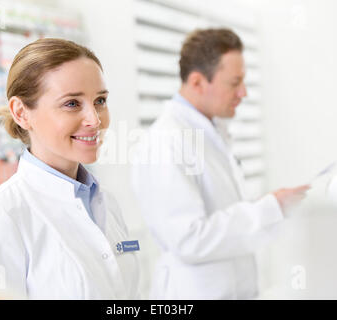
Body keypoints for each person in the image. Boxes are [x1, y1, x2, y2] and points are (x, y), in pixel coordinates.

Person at [131, 28, 309, 299]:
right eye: (234, 82)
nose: (244, 92)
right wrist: (270, 207)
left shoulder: (210, 131)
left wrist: (273, 206)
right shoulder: (166, 140)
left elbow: (224, 212)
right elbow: (189, 239)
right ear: (198, 82)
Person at [0, 38, 140, 299]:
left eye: (100, 100)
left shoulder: (107, 205)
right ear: (21, 112)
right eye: (72, 103)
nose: (95, 119)